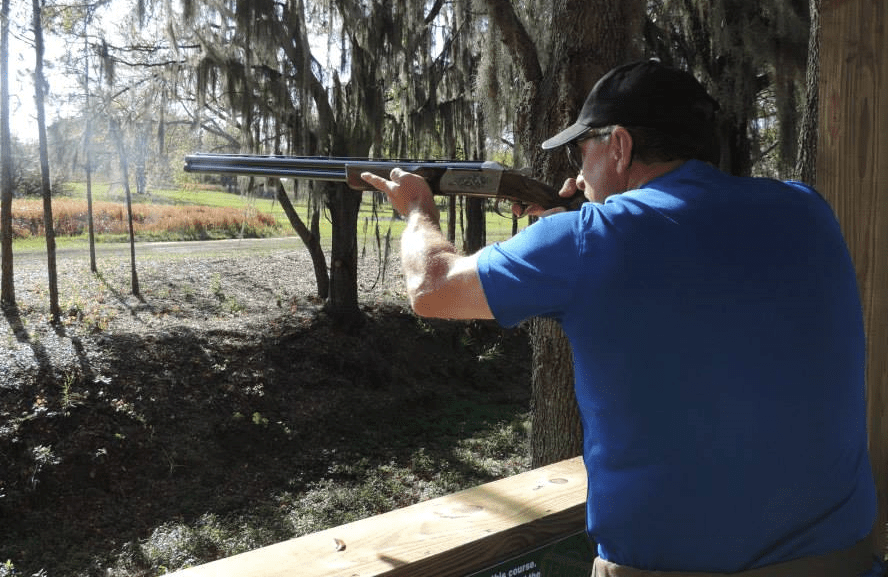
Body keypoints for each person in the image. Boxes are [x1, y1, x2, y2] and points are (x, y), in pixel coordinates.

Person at [361, 60, 884, 577]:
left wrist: (417, 210)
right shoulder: (806, 208)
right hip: (848, 562)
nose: (577, 168)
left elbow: (432, 287)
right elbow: (690, 269)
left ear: (620, 146)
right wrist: (585, 224)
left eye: (580, 148)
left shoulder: (590, 240)